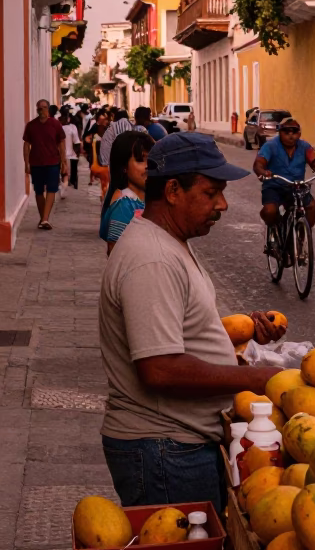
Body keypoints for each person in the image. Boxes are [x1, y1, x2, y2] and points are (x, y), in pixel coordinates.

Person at [99, 132, 285, 511]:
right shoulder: (152, 258)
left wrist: (235, 348)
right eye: (210, 193)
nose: (223, 205)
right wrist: (260, 380)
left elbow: (178, 332)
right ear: (171, 190)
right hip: (164, 450)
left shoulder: (169, 243)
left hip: (176, 445)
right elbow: (160, 369)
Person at [254, 117, 315, 236]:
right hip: (274, 186)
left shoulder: (304, 146)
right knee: (270, 211)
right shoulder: (270, 146)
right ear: (280, 132)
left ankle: (304, 234)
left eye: (294, 131)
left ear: (299, 133)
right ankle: (274, 230)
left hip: (297, 186)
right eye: (286, 131)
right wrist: (263, 172)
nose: (291, 135)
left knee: (312, 207)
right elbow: (259, 163)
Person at [99, 129, 154, 252]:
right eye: (140, 160)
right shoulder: (124, 207)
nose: (147, 166)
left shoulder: (146, 199)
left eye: (150, 160)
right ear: (124, 166)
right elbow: (116, 255)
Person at [22, 98, 67, 229]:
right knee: (39, 191)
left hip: (53, 162)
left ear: (48, 109)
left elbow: (61, 144)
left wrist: (64, 162)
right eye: (39, 108)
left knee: (52, 189)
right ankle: (43, 219)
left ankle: (45, 218)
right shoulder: (31, 126)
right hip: (36, 163)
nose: (41, 110)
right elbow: (26, 145)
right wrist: (26, 163)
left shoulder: (55, 124)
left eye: (44, 107)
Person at [59, 107, 81, 194]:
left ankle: (63, 188)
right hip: (70, 156)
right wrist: (77, 154)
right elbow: (77, 142)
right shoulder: (72, 127)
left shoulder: (57, 126)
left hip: (63, 156)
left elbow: (77, 142)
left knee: (64, 176)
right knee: (68, 178)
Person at [88, 110, 110, 194]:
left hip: (99, 164)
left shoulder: (96, 138)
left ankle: (103, 197)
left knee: (104, 184)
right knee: (105, 184)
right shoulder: (99, 137)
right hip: (102, 165)